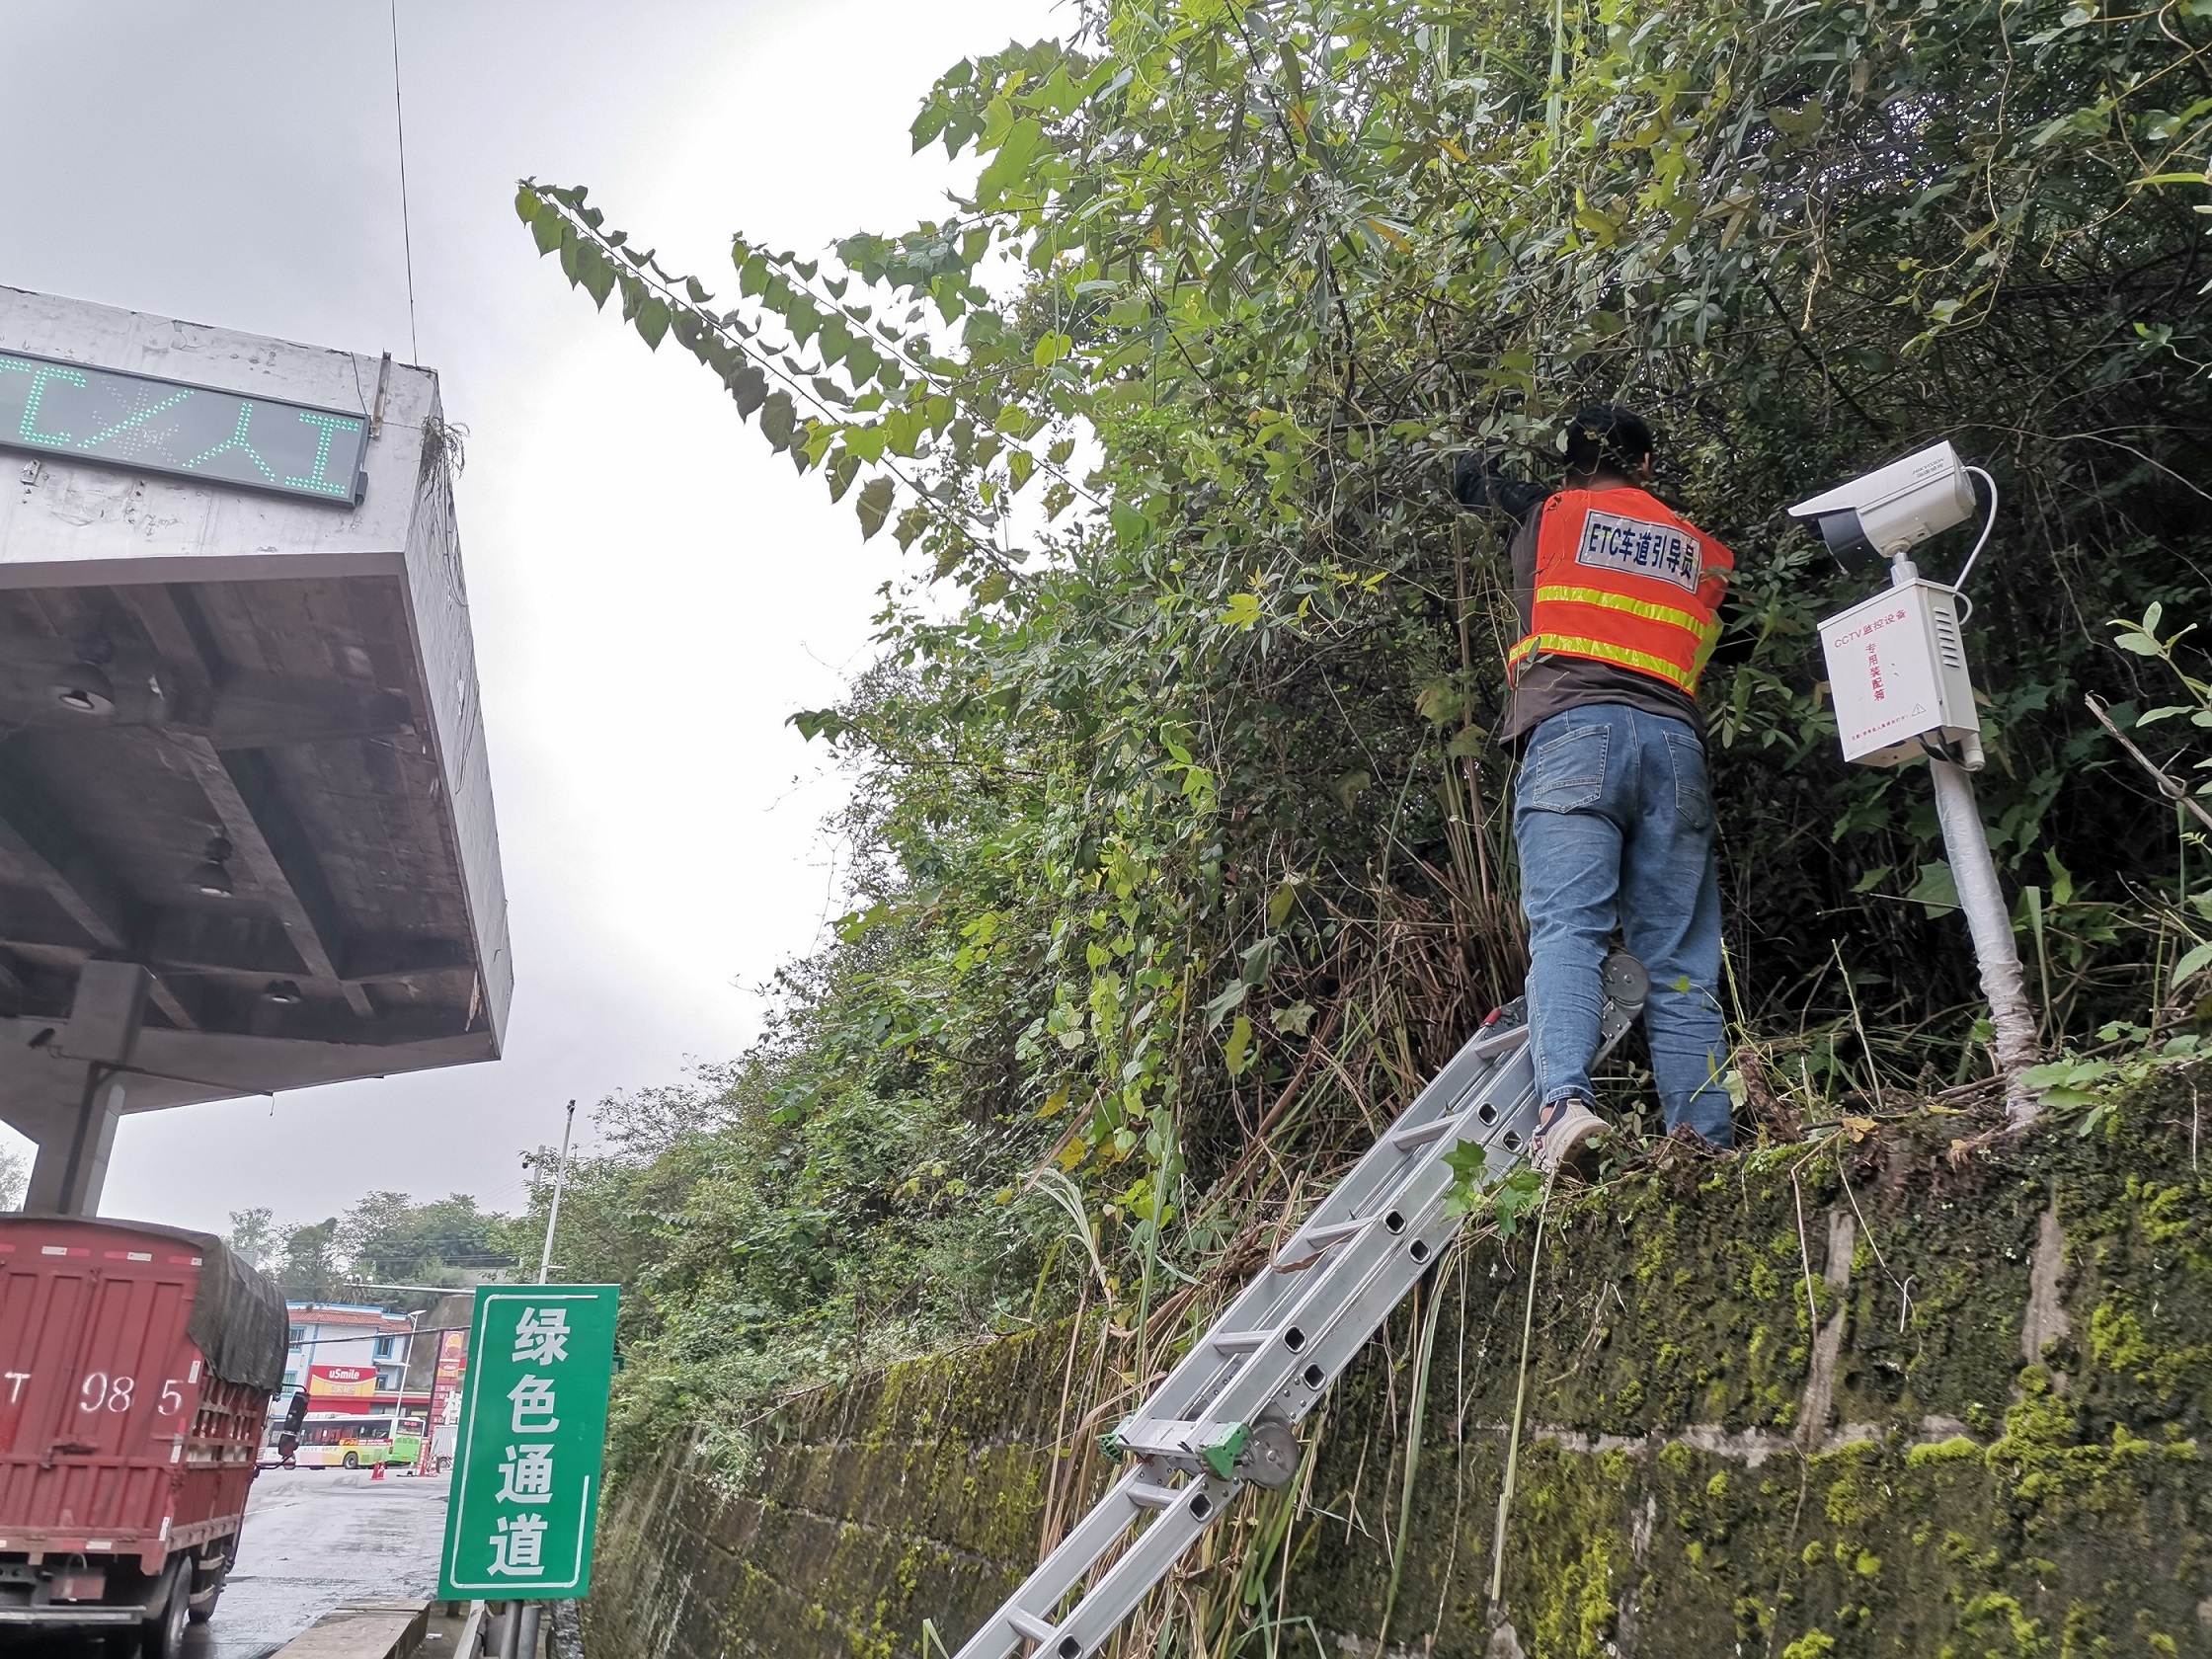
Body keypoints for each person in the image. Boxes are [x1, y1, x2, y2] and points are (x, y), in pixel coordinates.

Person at [1454, 405, 1736, 1165]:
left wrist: (1493, 470)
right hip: (1674, 748)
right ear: (1646, 467)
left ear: (1569, 461)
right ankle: (1705, 1145)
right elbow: (1731, 628)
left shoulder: (1549, 517)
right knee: (1680, 960)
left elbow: (1469, 481)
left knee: (1570, 931)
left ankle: (1565, 1109)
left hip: (1575, 735)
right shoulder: (1700, 554)